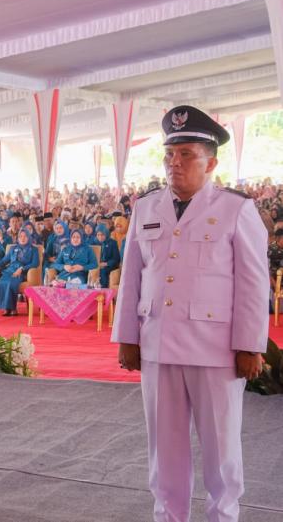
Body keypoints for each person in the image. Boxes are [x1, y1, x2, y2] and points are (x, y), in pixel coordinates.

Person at [111, 105, 267, 522]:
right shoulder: (146, 207)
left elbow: (254, 282)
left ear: (211, 162)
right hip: (158, 344)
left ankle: (223, 516)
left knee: (221, 450)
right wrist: (127, 337)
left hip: (214, 349)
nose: (174, 164)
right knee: (164, 448)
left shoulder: (236, 209)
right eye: (169, 155)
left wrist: (250, 345)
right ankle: (169, 516)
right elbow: (132, 278)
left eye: (187, 156)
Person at [0, 228, 39, 316]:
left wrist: (22, 269)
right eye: (20, 236)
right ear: (18, 238)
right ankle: (6, 308)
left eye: (25, 236)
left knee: (11, 282)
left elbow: (35, 263)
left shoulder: (34, 249)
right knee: (2, 282)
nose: (23, 238)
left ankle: (12, 308)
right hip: (9, 270)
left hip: (23, 272)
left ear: (29, 237)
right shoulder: (13, 248)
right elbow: (4, 261)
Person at [94, 223, 120, 288]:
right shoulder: (94, 242)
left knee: (102, 271)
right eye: (98, 235)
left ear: (106, 233)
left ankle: (103, 291)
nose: (100, 237)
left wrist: (105, 264)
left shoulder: (112, 243)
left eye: (102, 235)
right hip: (96, 265)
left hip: (108, 266)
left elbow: (116, 259)